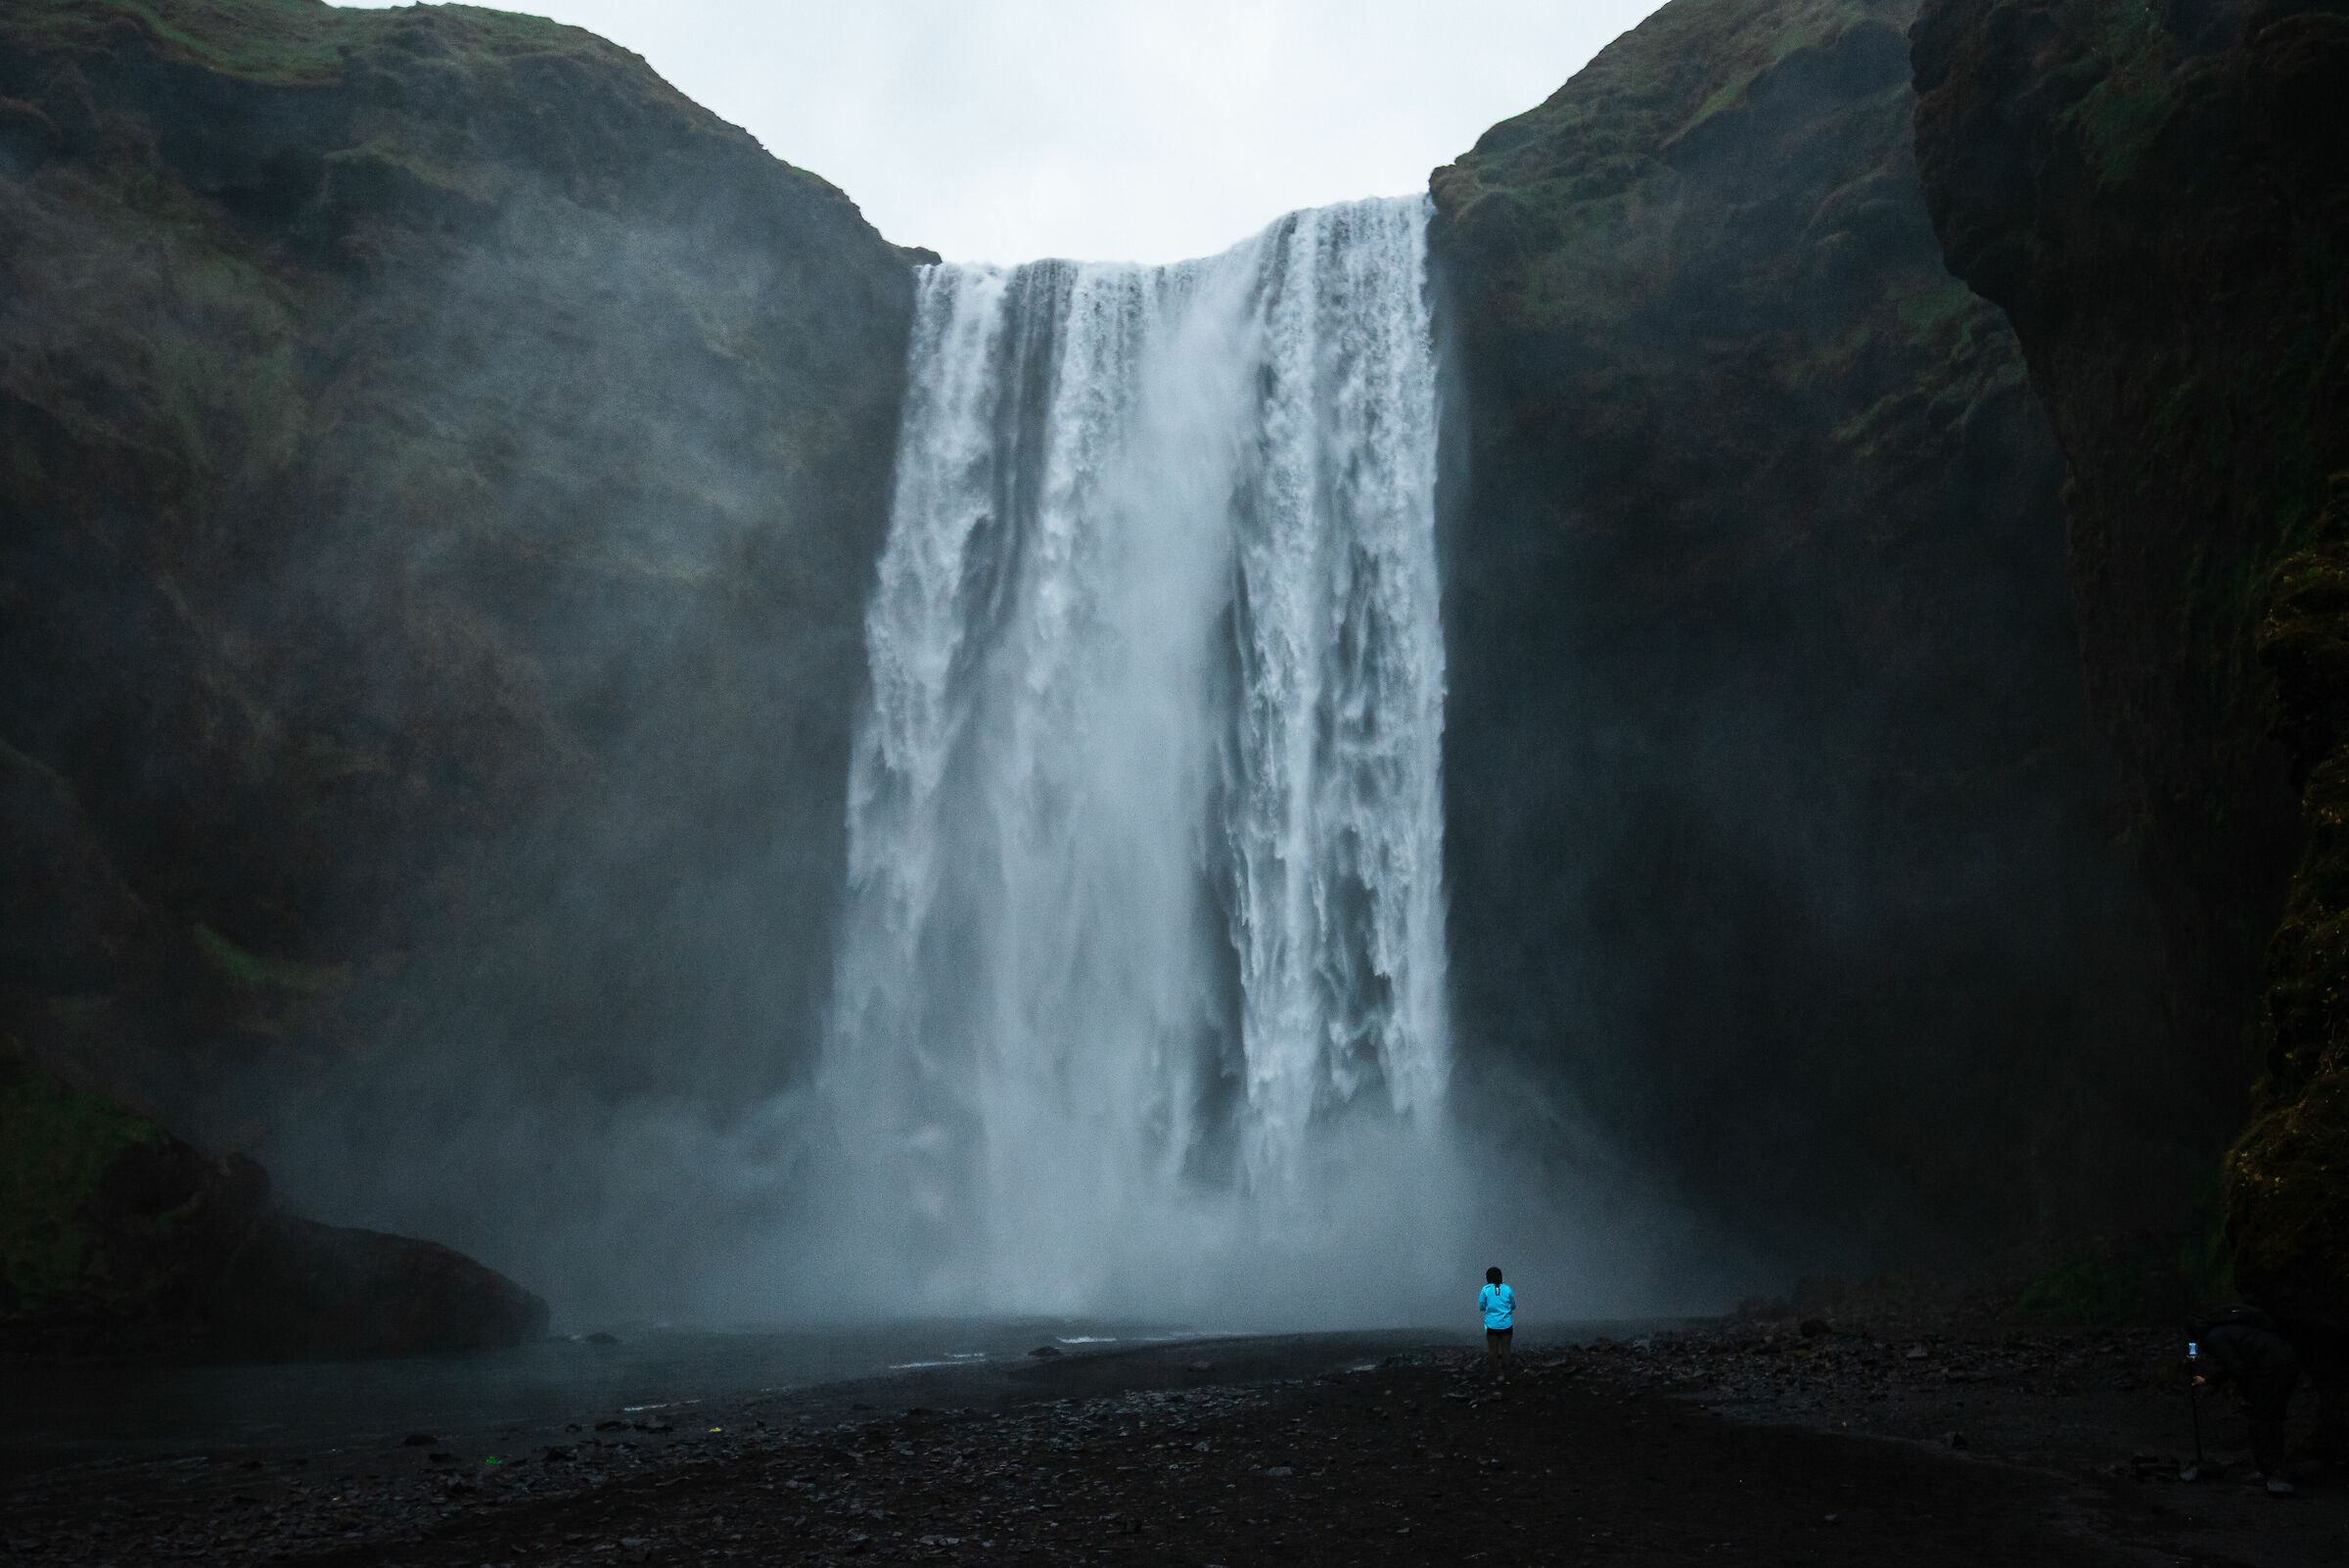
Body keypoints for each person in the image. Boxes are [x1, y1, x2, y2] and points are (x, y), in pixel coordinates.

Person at [2192, 1304, 2304, 1495]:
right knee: (2273, 1418)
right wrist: (2211, 1381)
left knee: (2261, 1418)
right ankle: (2276, 1468)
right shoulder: (2229, 1332)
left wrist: (2247, 1394)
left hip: (2271, 1367)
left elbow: (2236, 1367)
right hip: (2286, 1360)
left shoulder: (2215, 1338)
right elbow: (2235, 1363)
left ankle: (2269, 1471)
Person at [1479, 1266, 1515, 1380]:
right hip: (1506, 1324)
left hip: (1492, 1325)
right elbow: (1513, 1305)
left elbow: (1481, 1306)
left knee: (1493, 1349)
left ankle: (1498, 1373)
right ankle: (1508, 1373)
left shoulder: (1485, 1290)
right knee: (1506, 1349)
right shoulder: (1508, 1289)